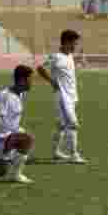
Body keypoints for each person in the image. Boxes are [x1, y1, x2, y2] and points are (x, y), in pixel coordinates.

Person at [37, 29, 86, 164]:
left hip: (72, 96)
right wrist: (52, 82)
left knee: (62, 126)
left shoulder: (69, 56)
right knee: (73, 124)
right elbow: (40, 68)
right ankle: (74, 154)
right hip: (62, 97)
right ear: (66, 42)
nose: (75, 47)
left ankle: (55, 152)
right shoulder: (56, 56)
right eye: (74, 44)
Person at [0, 65, 36, 184]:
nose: (32, 83)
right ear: (22, 80)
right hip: (0, 140)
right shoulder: (4, 96)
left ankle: (11, 167)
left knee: (24, 135)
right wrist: (9, 139)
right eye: (30, 80)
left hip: (10, 136)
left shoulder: (20, 94)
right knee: (28, 139)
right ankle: (14, 174)